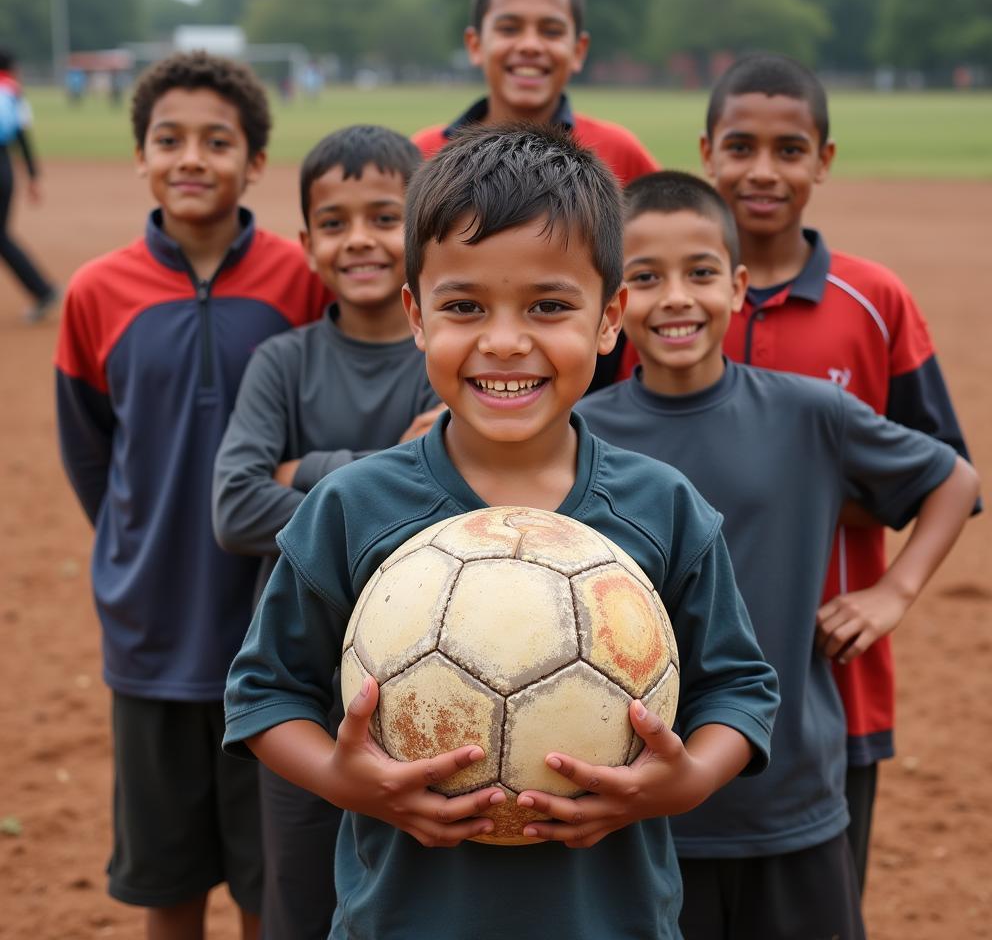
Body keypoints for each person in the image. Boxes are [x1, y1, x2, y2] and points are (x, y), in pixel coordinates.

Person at [223, 124, 780, 940]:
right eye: (464, 306)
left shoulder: (662, 507)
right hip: (406, 920)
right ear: (417, 316)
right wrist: (352, 782)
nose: (506, 340)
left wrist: (686, 780)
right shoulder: (352, 506)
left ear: (609, 317)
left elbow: (739, 687)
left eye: (550, 306)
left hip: (608, 919)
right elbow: (264, 694)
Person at [577, 171, 979, 940]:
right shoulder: (582, 433)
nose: (677, 299)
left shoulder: (809, 413)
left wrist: (893, 591)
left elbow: (951, 478)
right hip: (641, 798)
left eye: (700, 273)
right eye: (646, 278)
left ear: (737, 284)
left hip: (790, 790)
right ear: (616, 303)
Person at [54, 50, 327, 940]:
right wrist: (140, 548)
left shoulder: (299, 280)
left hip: (271, 623)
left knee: (267, 878)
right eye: (169, 139)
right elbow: (92, 453)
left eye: (218, 140)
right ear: (141, 156)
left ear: (254, 162)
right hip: (154, 627)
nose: (191, 158)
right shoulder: (99, 292)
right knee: (166, 877)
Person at [697, 52, 978, 892]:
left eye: (790, 149)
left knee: (820, 898)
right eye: (740, 146)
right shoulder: (664, 303)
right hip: (670, 659)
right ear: (707, 150)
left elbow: (945, 472)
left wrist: (892, 591)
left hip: (830, 671)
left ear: (824, 159)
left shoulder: (873, 299)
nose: (762, 170)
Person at [212, 124, 442, 940]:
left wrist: (300, 470)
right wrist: (392, 465)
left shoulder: (446, 356)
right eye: (335, 223)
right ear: (306, 242)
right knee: (301, 905)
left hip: (439, 689)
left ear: (420, 232)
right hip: (307, 696)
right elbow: (237, 509)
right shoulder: (283, 362)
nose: (361, 241)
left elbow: (462, 509)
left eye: (384, 217)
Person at [411, 0, 659, 391]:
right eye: (509, 27)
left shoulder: (618, 153)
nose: (529, 44)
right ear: (475, 43)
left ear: (578, 49)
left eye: (550, 29)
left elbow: (657, 275)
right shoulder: (423, 155)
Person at [0, 49, 59, 321]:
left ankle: (43, 290)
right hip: (5, 169)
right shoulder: (13, 93)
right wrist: (33, 176)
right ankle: (42, 290)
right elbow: (22, 136)